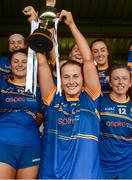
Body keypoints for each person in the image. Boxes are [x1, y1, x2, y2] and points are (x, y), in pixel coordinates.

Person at [37, 10, 103, 179]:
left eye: (76, 76)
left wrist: (71, 25)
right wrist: (38, 29)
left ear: (83, 80)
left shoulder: (91, 99)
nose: (71, 81)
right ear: (60, 81)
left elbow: (88, 59)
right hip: (52, 175)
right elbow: (42, 63)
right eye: (66, 77)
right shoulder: (53, 100)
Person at [0, 48, 43, 179]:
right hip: (4, 143)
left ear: (30, 65)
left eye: (24, 61)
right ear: (10, 64)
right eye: (16, 61)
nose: (20, 65)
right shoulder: (3, 86)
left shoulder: (39, 89)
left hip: (31, 144)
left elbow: (42, 115)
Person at [98, 64, 132, 179]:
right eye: (116, 78)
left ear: (130, 83)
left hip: (127, 167)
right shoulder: (99, 103)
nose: (120, 82)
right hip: (102, 166)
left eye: (124, 78)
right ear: (110, 83)